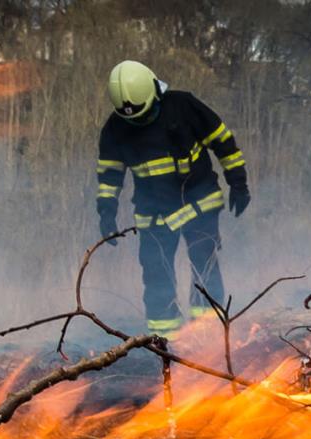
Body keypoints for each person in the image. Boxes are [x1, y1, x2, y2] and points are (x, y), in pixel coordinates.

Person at [95, 60, 250, 336]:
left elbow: (223, 141)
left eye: (146, 114)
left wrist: (238, 183)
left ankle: (209, 336)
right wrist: (106, 213)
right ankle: (166, 343)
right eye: (135, 119)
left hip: (199, 206)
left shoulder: (184, 107)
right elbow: (109, 176)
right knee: (157, 278)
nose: (141, 121)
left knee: (205, 269)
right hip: (155, 216)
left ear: (156, 92)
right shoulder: (115, 130)